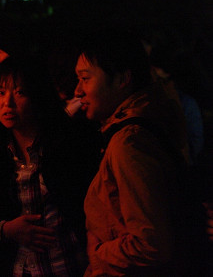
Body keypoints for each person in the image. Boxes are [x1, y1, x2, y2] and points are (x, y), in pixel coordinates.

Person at [73, 30, 206, 275]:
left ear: (123, 79)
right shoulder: (145, 126)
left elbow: (151, 244)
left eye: (85, 78)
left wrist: (98, 253)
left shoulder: (129, 144)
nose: (77, 91)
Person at [0, 56, 101, 276]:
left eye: (19, 92)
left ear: (38, 95)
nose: (7, 103)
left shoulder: (68, 146)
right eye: (0, 93)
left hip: (67, 265)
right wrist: (5, 229)